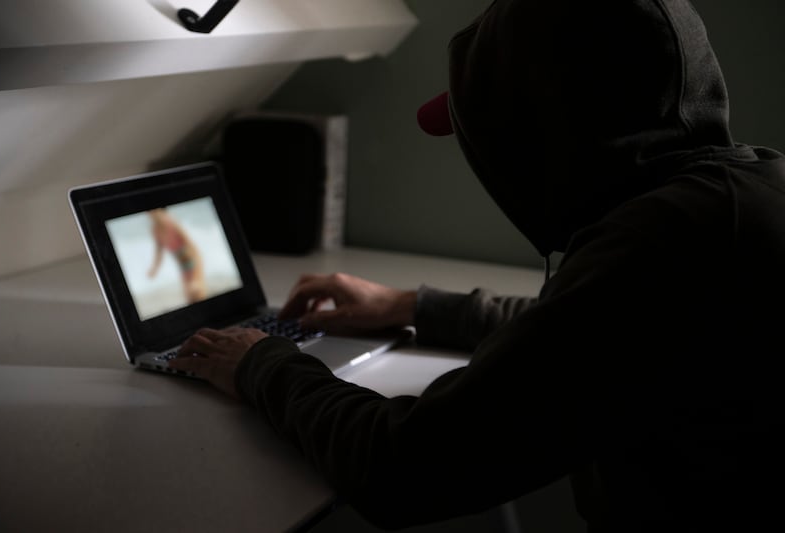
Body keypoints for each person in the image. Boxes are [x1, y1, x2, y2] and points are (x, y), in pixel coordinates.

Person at [169, 1, 785, 531]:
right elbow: (591, 333)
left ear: (543, 135)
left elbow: (403, 467)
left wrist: (261, 363)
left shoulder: (666, 240)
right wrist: (411, 306)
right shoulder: (744, 194)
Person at [147, 207, 207, 303]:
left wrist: (195, 277)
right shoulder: (155, 229)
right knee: (189, 298)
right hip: (183, 265)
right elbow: (159, 253)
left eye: (152, 210)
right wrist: (154, 269)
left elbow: (192, 247)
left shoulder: (171, 222)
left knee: (197, 293)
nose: (150, 214)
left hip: (193, 261)